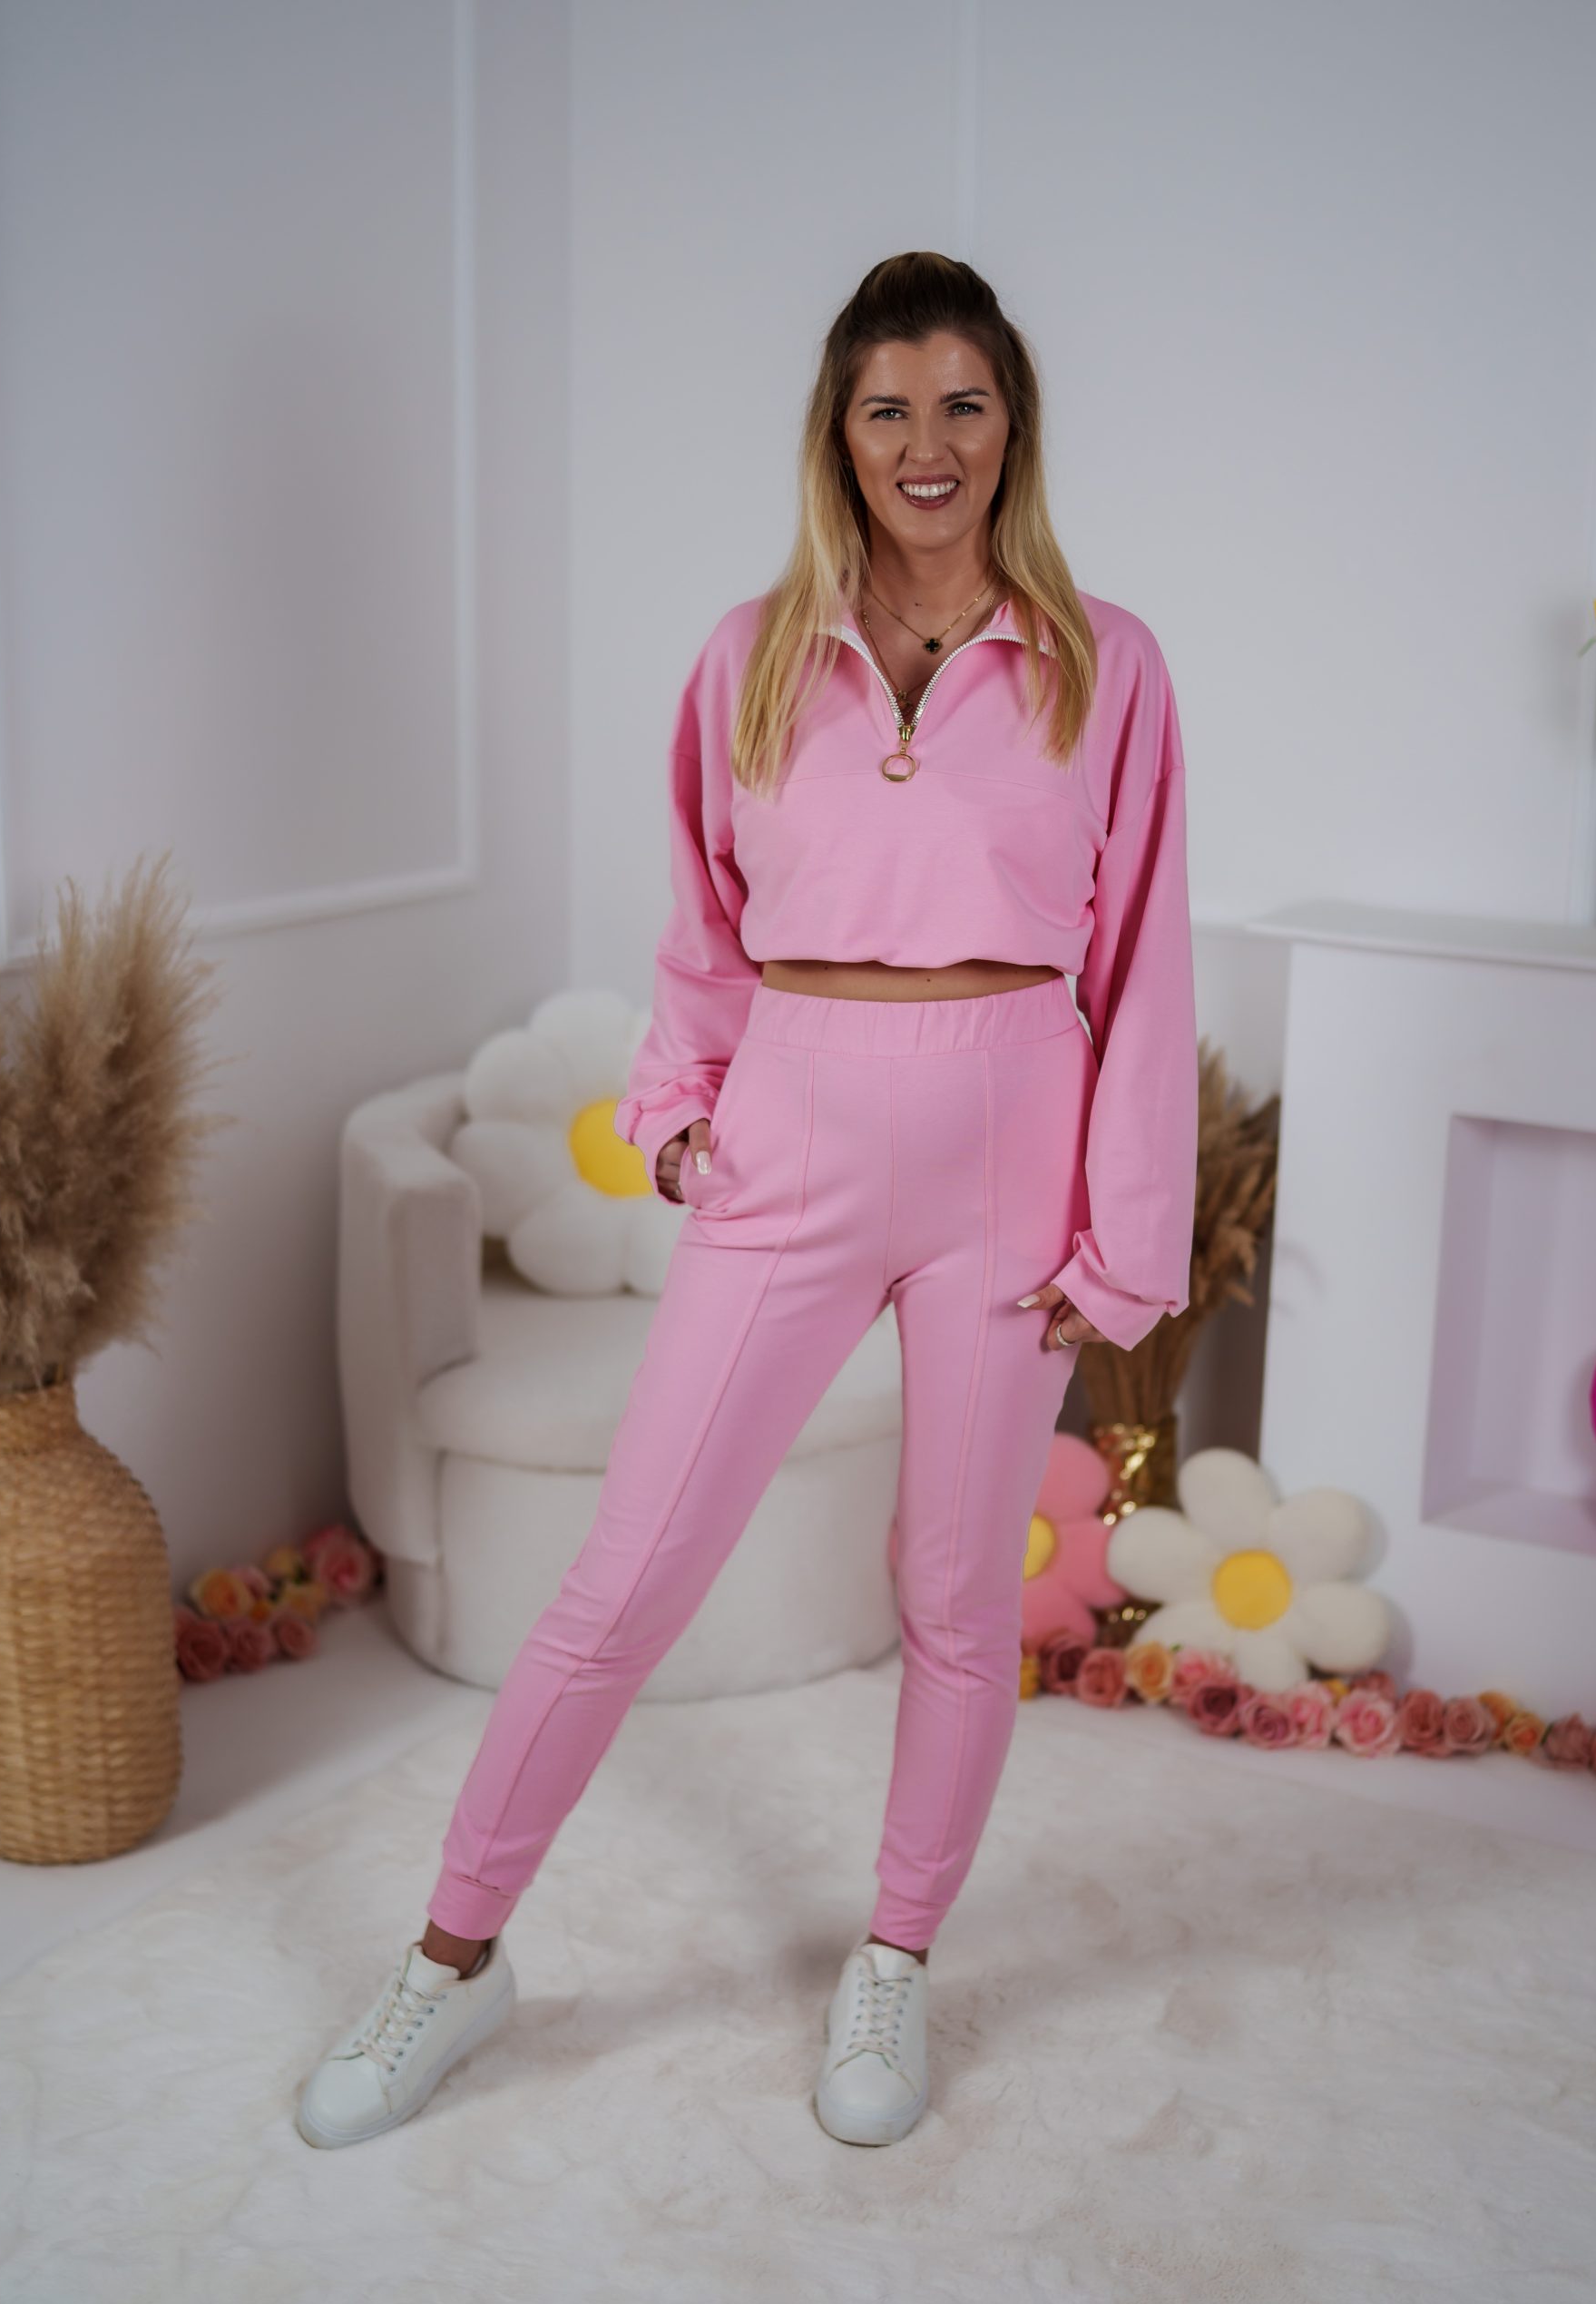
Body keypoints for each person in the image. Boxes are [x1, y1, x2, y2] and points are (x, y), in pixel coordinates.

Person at [296, 250, 1197, 2152]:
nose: (928, 442)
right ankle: (452, 1960)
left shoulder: (1107, 661)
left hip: (1011, 1155)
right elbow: (702, 923)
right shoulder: (750, 653)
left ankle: (896, 1956)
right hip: (793, 1135)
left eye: (962, 402)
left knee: (954, 1596)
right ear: (838, 434)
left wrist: (1125, 1237)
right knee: (625, 1575)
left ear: (1012, 423)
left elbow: (1142, 958)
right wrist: (680, 1110)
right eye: (889, 408)